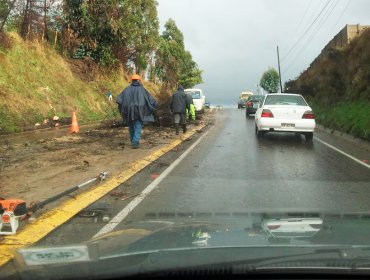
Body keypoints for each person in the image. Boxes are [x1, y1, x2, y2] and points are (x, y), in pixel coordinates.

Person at [116, 74, 157, 149]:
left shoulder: (127, 89)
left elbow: (119, 99)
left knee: (131, 126)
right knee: (138, 126)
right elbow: (151, 100)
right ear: (138, 80)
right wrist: (154, 105)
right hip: (139, 111)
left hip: (129, 111)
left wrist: (123, 108)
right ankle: (135, 142)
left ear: (132, 80)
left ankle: (133, 140)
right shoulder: (142, 89)